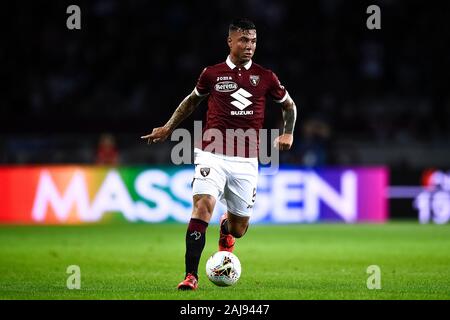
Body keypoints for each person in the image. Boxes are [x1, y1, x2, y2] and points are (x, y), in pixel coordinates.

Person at [141, 18, 297, 290]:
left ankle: (226, 230)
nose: (249, 46)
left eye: (253, 41)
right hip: (211, 152)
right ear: (230, 41)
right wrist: (168, 127)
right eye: (243, 40)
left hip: (247, 159)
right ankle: (191, 276)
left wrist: (289, 132)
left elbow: (289, 106)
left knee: (239, 229)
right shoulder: (211, 74)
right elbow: (191, 101)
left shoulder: (266, 76)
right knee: (203, 205)